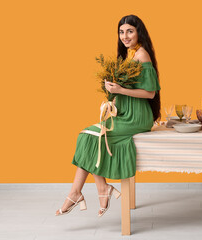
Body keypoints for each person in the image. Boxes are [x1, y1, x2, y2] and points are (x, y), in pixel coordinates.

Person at [55, 15, 161, 217]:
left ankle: (86, 192)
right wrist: (112, 92)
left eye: (130, 31)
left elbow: (150, 93)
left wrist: (120, 90)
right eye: (121, 32)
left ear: (139, 32)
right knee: (89, 136)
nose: (125, 36)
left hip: (137, 117)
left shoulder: (142, 55)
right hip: (125, 113)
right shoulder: (131, 54)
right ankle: (86, 190)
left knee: (88, 136)